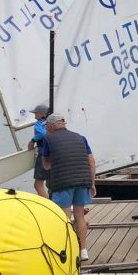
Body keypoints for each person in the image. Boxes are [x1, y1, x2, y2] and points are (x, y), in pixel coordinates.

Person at [41, 113, 96, 261]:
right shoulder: (80, 137)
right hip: (83, 181)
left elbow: (46, 164)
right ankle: (83, 250)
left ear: (52, 125)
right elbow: (91, 160)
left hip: (63, 182)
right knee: (80, 217)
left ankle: (69, 249)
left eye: (47, 126)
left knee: (64, 218)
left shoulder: (48, 139)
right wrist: (92, 183)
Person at [27, 104, 50, 198]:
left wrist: (32, 141)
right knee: (51, 185)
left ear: (42, 114)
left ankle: (49, 207)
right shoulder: (51, 122)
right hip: (54, 153)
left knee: (37, 185)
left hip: (43, 153)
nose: (34, 116)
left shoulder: (40, 123)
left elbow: (42, 133)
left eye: (36, 113)